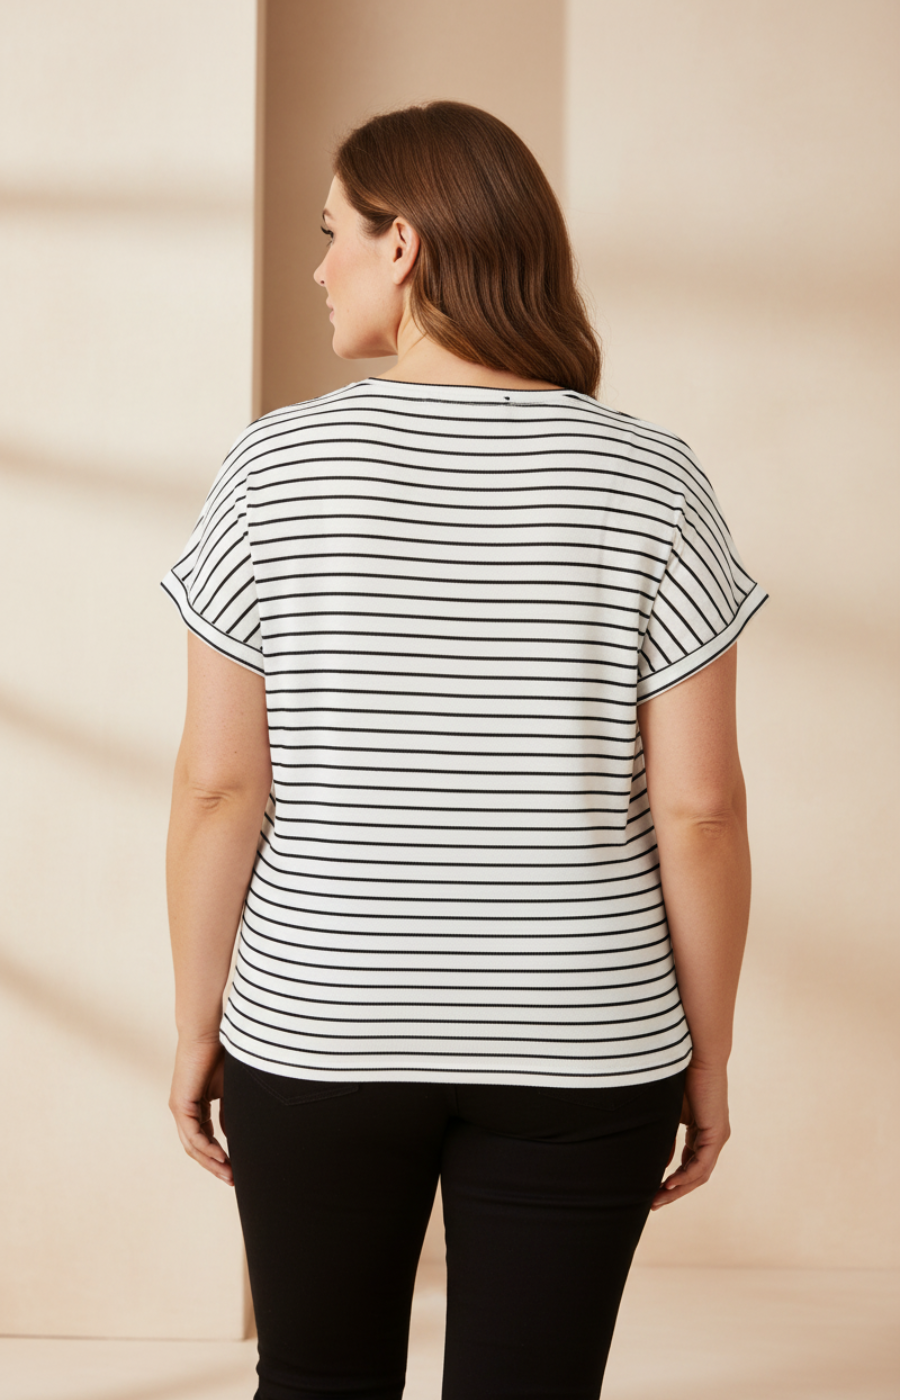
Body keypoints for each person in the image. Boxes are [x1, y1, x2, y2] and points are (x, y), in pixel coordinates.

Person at [162, 100, 767, 1400]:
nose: (318, 266)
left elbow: (221, 789)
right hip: (585, 1038)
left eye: (335, 235)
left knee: (317, 1380)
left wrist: (198, 1022)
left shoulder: (275, 470)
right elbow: (701, 812)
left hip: (319, 1024)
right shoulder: (652, 480)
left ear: (406, 248)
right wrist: (707, 1054)